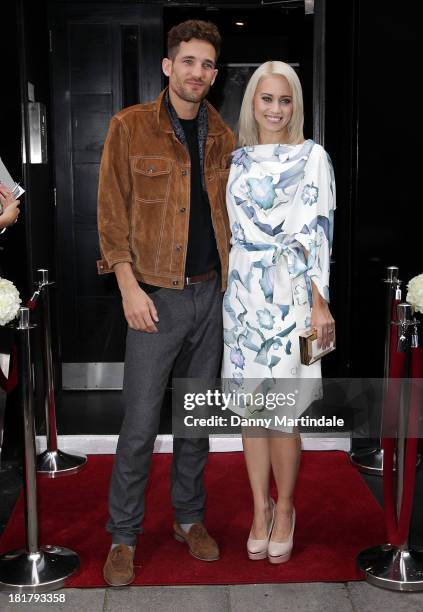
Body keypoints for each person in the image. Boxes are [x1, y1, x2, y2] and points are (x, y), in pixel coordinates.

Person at [97, 20, 235, 586]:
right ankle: (123, 536)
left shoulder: (226, 135)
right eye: (188, 61)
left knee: (194, 422)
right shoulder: (129, 126)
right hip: (155, 297)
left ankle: (189, 518)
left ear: (214, 74)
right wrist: (129, 286)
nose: (197, 73)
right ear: (167, 65)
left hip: (213, 296)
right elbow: (111, 216)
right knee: (138, 426)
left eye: (207, 65)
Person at [222, 61, 336, 564]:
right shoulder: (238, 159)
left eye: (284, 100)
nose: (274, 108)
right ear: (252, 103)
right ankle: (257, 509)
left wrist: (319, 301)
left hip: (291, 297)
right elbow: (231, 232)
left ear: (296, 105)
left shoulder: (313, 157)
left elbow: (319, 232)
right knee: (252, 414)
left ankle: (285, 508)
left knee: (283, 416)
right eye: (266, 98)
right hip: (244, 297)